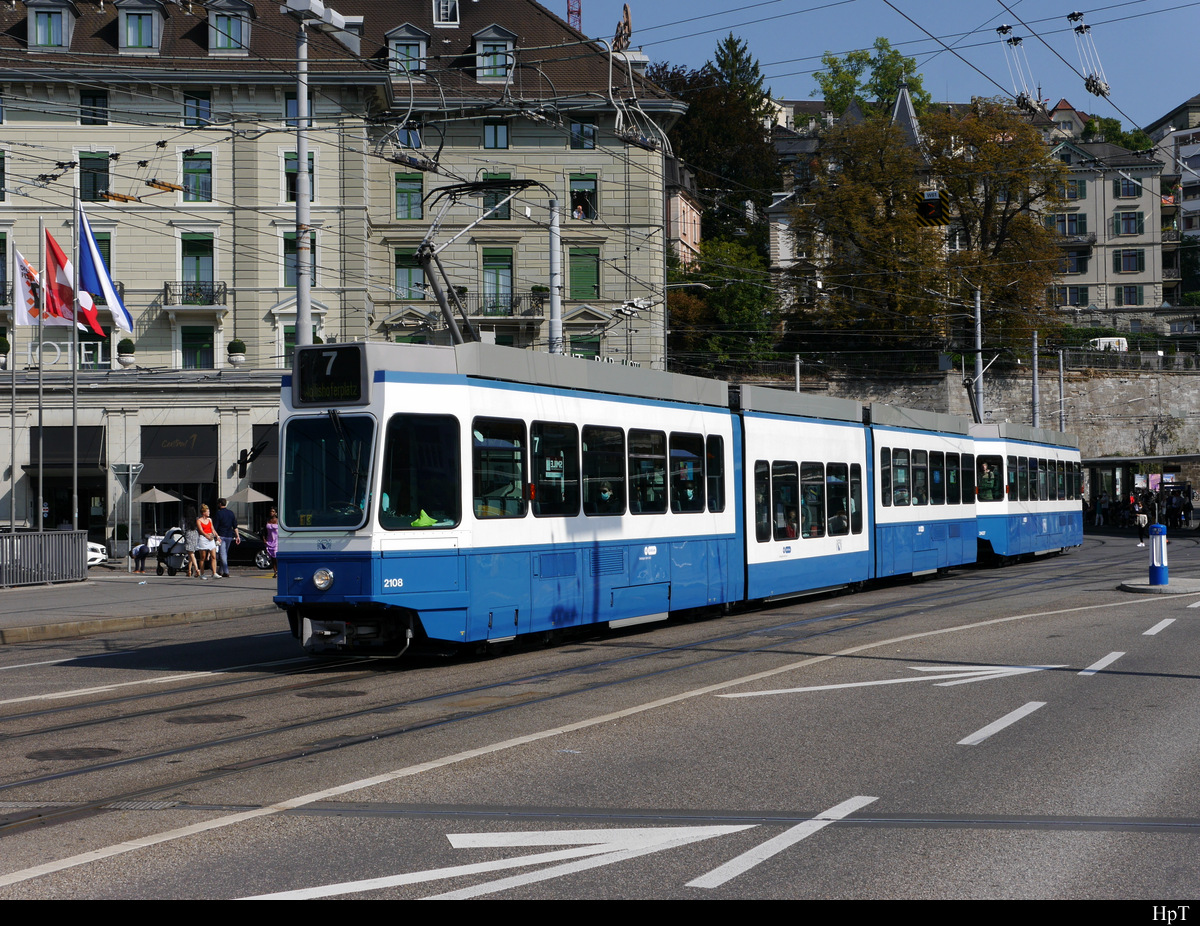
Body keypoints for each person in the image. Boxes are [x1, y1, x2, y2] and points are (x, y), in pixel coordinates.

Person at [214, 497, 240, 578]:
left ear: (220, 504)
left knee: (222, 554)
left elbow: (215, 526)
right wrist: (237, 536)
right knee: (224, 554)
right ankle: (220, 571)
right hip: (229, 536)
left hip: (221, 535)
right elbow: (235, 526)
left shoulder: (218, 514)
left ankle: (226, 571)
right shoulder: (231, 513)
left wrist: (216, 536)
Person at [196, 504, 219, 578]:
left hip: (211, 538)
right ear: (203, 513)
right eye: (207, 511)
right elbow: (200, 530)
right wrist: (206, 536)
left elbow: (212, 529)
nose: (209, 513)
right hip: (203, 538)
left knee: (213, 556)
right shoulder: (199, 521)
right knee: (203, 557)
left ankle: (214, 572)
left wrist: (217, 536)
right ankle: (202, 574)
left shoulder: (210, 520)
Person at [183, 506, 202, 578]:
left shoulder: (185, 519)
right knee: (191, 553)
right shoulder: (196, 519)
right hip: (195, 534)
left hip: (188, 534)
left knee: (191, 553)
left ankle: (197, 569)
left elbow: (183, 528)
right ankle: (189, 571)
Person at [263, 508, 279, 578]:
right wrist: (264, 539)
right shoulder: (267, 520)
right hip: (269, 540)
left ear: (275, 513)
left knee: (275, 555)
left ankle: (279, 570)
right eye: (270, 511)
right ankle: (275, 572)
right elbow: (263, 530)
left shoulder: (278, 521)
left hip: (276, 540)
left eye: (273, 511)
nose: (271, 513)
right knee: (272, 557)